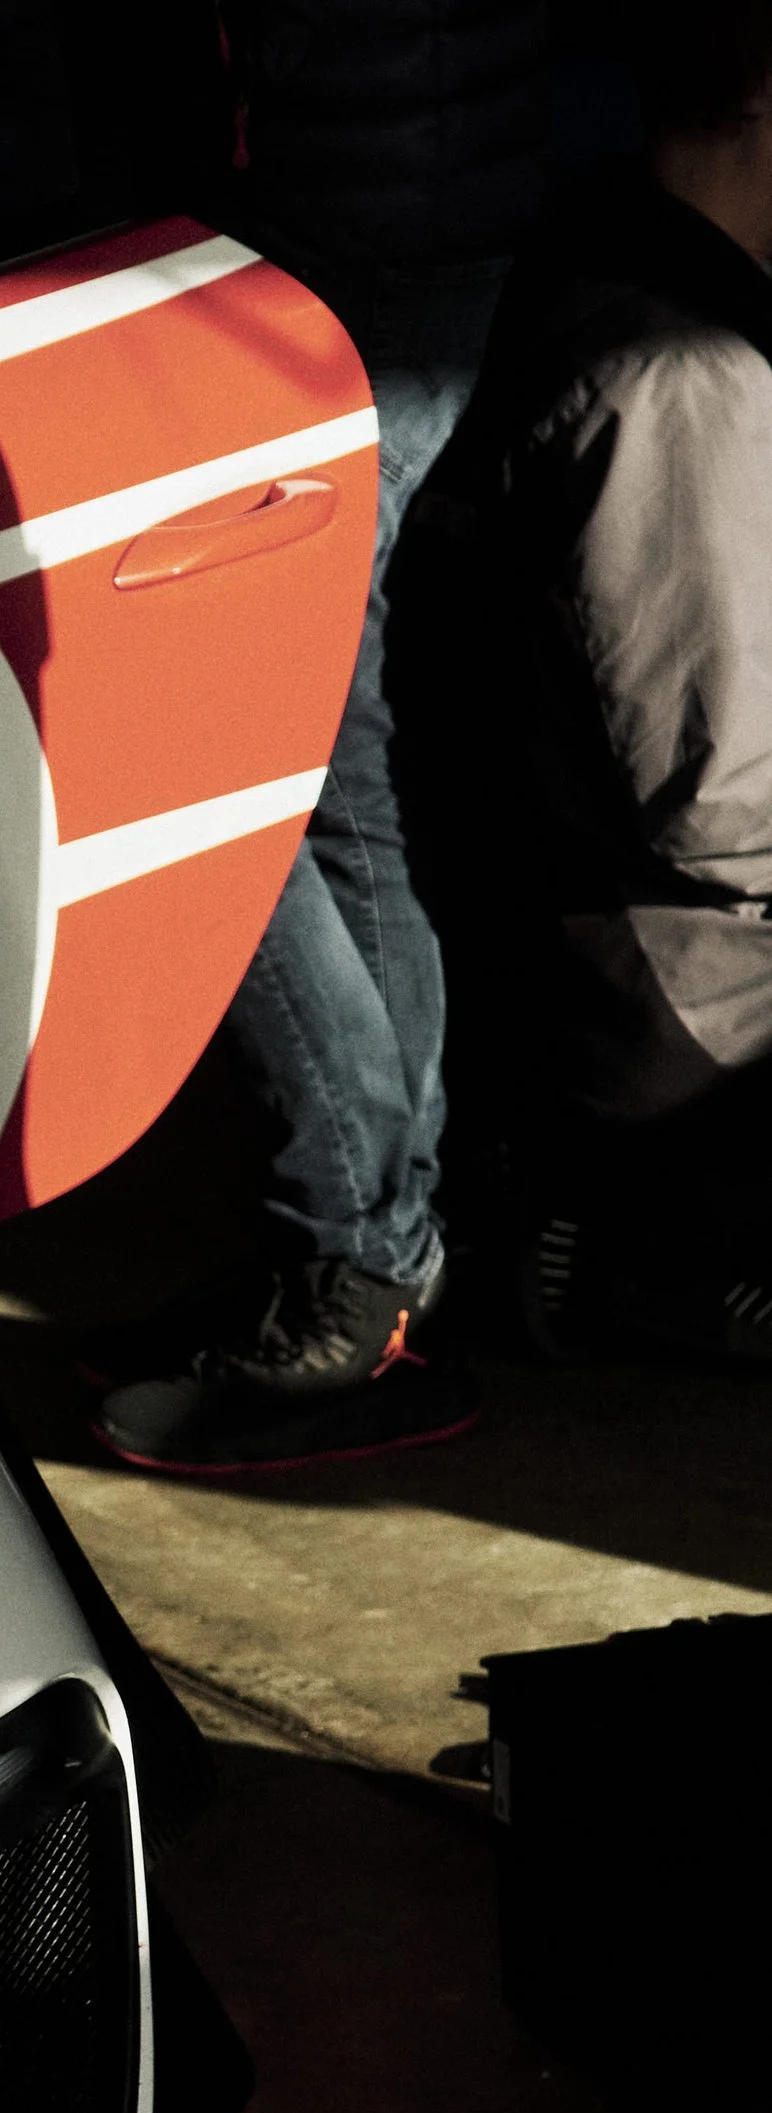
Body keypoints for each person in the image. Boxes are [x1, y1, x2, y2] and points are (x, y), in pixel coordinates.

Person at [93, 1, 551, 1478]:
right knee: (330, 739)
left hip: (344, 227)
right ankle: (375, 1256)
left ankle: (350, 1253)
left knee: (218, 756)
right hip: (398, 207)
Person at [413, 0, 772, 1360]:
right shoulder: (683, 372)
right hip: (653, 968)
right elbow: (719, 800)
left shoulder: (600, 264)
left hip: (595, 926)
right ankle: (640, 1246)